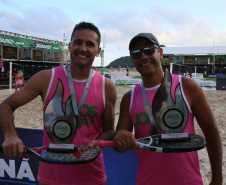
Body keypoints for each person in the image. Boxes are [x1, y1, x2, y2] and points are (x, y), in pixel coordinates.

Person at [0, 21, 117, 185]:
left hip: (92, 176)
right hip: (51, 177)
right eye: (78, 42)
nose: (83, 48)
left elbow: (109, 130)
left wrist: (98, 141)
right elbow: (5, 106)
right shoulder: (46, 78)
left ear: (98, 51)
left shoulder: (107, 86)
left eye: (90, 44)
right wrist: (10, 136)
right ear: (69, 46)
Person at [113, 33, 222, 185]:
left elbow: (211, 133)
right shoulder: (128, 98)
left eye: (149, 50)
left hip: (188, 181)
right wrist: (120, 136)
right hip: (147, 180)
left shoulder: (187, 87)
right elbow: (119, 146)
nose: (143, 56)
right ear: (132, 60)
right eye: (136, 53)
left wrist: (217, 179)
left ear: (160, 53)